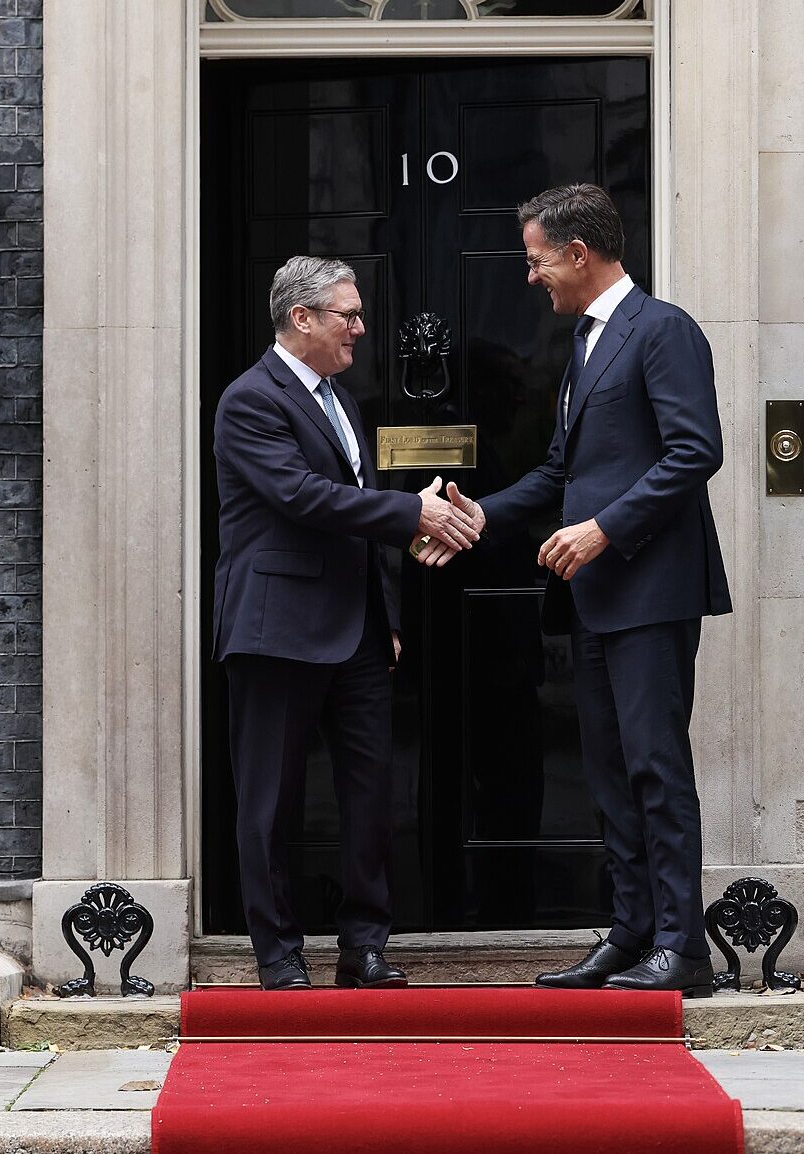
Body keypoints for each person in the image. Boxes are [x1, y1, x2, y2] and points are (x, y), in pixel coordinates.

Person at [441, 184, 731, 996]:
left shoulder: (663, 330)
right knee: (609, 774)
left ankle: (684, 948)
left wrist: (603, 529)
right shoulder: (585, 345)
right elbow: (562, 470)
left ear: (578, 254)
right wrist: (477, 517)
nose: (532, 278)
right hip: (598, 598)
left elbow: (693, 452)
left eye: (536, 261)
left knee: (656, 769)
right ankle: (634, 933)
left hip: (651, 590)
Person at [211, 256, 479, 991]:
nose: (361, 327)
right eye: (348, 314)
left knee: (371, 794)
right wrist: (411, 513)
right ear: (303, 318)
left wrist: (384, 614)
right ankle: (278, 955)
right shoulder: (250, 401)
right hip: (275, 628)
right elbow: (302, 497)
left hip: (357, 631)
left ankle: (364, 947)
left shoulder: (339, 398)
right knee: (269, 800)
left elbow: (348, 513)